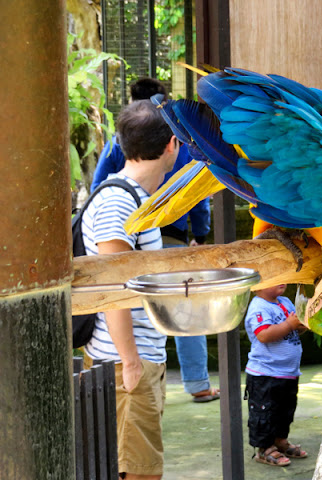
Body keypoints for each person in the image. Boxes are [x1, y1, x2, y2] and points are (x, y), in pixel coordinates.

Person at [92, 77, 217, 403]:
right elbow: (197, 195)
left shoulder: (121, 141)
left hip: (148, 236)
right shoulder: (172, 140)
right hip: (168, 236)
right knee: (185, 307)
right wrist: (200, 234)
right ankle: (198, 383)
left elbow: (97, 183)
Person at [82, 100, 180, 479]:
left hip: (136, 358)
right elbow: (113, 286)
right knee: (138, 473)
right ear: (173, 144)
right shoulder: (118, 202)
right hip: (123, 363)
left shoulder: (137, 199)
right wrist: (132, 362)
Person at [244, 284, 308, 467]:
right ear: (258, 285)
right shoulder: (258, 307)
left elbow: (294, 327)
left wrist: (300, 324)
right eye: (274, 279)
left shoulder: (285, 302)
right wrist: (289, 324)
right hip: (265, 373)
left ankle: (280, 441)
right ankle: (264, 448)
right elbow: (263, 335)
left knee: (285, 411)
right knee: (264, 412)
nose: (282, 281)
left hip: (288, 372)